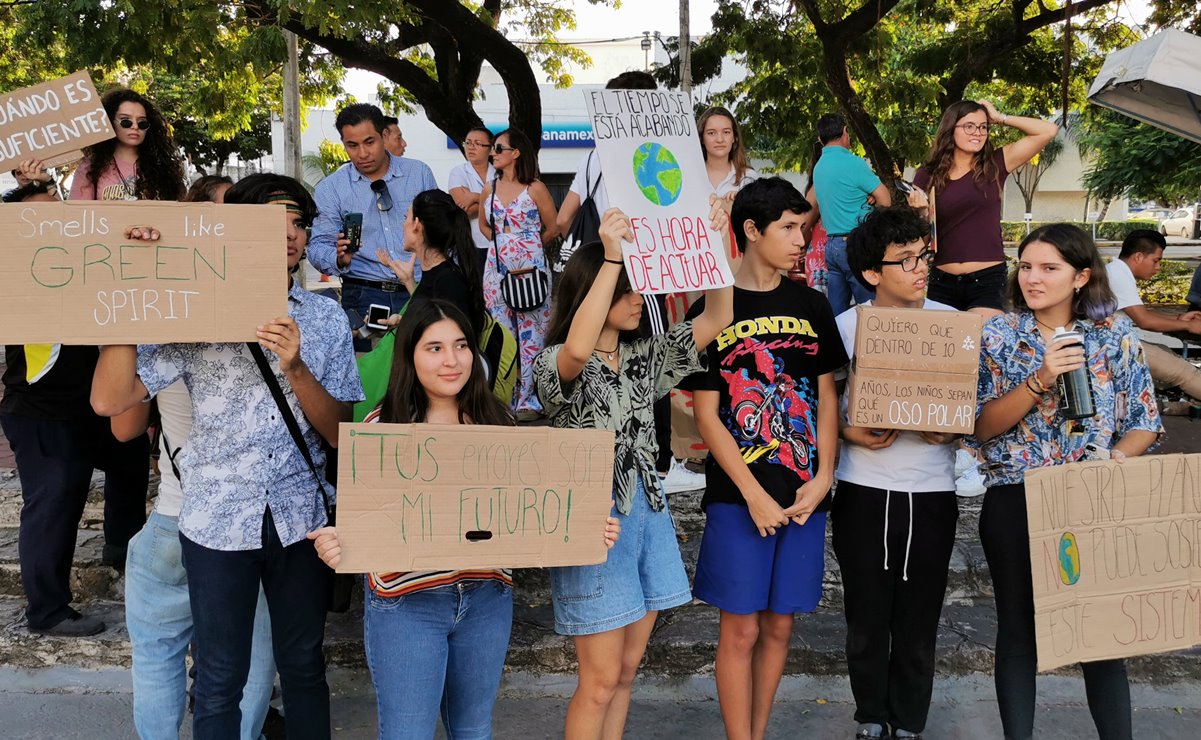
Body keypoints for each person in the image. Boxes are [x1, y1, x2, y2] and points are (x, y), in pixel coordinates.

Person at [90, 174, 364, 740]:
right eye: (273, 221)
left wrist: (295, 367)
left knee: (305, 667)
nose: (290, 233)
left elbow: (340, 434)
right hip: (215, 520)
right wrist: (130, 285)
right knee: (218, 678)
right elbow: (110, 400)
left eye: (299, 222)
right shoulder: (189, 312)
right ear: (231, 231)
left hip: (301, 523)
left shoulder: (323, 317)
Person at [308, 299, 619, 740]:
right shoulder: (384, 429)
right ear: (409, 356)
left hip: (486, 602)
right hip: (407, 606)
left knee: (473, 731)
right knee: (406, 734)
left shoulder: (501, 426)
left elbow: (536, 516)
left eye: (460, 345)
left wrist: (588, 527)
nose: (451, 360)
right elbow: (365, 517)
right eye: (434, 348)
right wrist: (340, 541)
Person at [532, 207, 733, 740]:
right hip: (596, 523)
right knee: (598, 680)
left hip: (649, 515)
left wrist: (716, 243)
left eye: (637, 289)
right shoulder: (553, 362)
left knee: (623, 673)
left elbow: (715, 319)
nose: (637, 300)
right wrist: (613, 255)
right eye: (627, 290)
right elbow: (577, 348)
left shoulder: (644, 354)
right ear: (594, 291)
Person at [972, 223, 1161, 740]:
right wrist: (1040, 379)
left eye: (1049, 268)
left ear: (1081, 276)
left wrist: (1114, 458)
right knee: (1018, 632)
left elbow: (1145, 420)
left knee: (1099, 638)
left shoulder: (1115, 333)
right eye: (1026, 266)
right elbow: (980, 427)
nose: (1033, 278)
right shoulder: (1000, 334)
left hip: (1091, 498)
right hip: (1017, 495)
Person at [111, 175, 276, 740]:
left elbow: (125, 424)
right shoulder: (270, 318)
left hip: (171, 517)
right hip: (238, 526)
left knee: (156, 661)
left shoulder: (164, 320)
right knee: (248, 667)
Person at [681, 178, 844, 740]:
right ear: (751, 231)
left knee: (779, 628)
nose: (802, 240)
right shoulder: (714, 307)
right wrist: (751, 493)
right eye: (789, 228)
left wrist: (824, 476)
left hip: (804, 493)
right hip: (738, 496)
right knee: (741, 632)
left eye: (805, 228)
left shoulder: (813, 303)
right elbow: (706, 414)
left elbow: (828, 398)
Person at [835, 207, 959, 740]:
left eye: (923, 256)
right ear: (870, 273)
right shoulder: (843, 327)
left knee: (919, 617)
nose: (919, 268)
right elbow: (822, 408)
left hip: (932, 490)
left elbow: (968, 408)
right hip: (864, 488)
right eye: (903, 259)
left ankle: (909, 721)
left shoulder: (953, 325)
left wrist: (951, 430)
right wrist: (848, 433)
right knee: (865, 615)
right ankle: (870, 717)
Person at [0, 182, 144, 636]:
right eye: (35, 216)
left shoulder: (88, 256)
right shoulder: (14, 267)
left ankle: (122, 549)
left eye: (55, 211)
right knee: (56, 498)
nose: (50, 221)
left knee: (131, 454)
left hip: (93, 406)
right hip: (40, 411)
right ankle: (47, 611)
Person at [555, 69, 705, 494]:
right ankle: (656, 464)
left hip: (599, 274)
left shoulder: (593, 155)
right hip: (640, 275)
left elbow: (566, 215)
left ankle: (604, 455)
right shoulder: (654, 151)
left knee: (597, 359)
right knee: (650, 360)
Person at [911, 100, 1058, 318]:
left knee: (982, 344)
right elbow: (920, 240)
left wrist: (1000, 118)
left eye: (983, 127)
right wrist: (920, 214)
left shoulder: (996, 163)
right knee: (947, 350)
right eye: (969, 126)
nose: (978, 133)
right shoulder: (927, 174)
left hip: (987, 280)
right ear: (951, 129)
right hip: (942, 280)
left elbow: (1048, 130)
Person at [308, 103, 438, 341]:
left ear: (385, 136)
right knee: (367, 373)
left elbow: (442, 232)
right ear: (343, 144)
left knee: (423, 370)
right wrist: (338, 258)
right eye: (352, 145)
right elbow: (317, 248)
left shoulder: (418, 174)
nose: (362, 153)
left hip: (419, 290)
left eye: (370, 142)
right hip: (363, 295)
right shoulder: (332, 188)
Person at [479, 128, 559, 418]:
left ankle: (530, 401)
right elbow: (483, 226)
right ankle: (503, 399)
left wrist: (530, 247)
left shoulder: (535, 188)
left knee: (533, 334)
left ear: (516, 153)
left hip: (530, 271)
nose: (493, 153)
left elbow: (553, 226)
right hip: (496, 271)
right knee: (502, 334)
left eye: (499, 148)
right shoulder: (489, 188)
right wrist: (502, 243)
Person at [1106, 229, 1201, 404]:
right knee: (1183, 372)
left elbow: (1143, 314)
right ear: (1138, 257)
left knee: (1165, 352)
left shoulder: (1117, 271)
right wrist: (1188, 326)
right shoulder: (1118, 275)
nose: (1158, 268)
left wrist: (1179, 320)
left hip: (1114, 341)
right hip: (1110, 346)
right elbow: (1145, 321)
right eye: (1156, 261)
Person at [376, 189, 487, 335]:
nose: (403, 225)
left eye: (405, 218)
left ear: (416, 224)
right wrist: (403, 321)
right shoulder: (437, 275)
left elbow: (450, 339)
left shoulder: (447, 282)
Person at [811, 113, 891, 314]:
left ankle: (837, 346)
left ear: (821, 139)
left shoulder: (818, 168)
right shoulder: (853, 163)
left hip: (832, 248)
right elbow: (886, 200)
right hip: (855, 244)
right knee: (870, 312)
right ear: (845, 132)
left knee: (837, 315)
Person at [69, 88, 184, 202]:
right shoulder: (90, 167)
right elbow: (77, 215)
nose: (135, 126)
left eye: (142, 122)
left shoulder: (162, 168)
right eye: (126, 121)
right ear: (109, 122)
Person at [448, 126, 496, 271]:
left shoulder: (500, 174)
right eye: (468, 143)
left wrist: (475, 196)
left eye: (477, 143)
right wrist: (492, 202)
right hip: (471, 244)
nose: (471, 147)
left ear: (490, 149)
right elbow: (463, 211)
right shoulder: (458, 172)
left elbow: (507, 206)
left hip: (497, 243)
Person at [699, 106, 758, 202]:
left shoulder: (748, 177)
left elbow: (759, 214)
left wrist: (741, 203)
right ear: (702, 138)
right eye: (711, 133)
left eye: (726, 132)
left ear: (734, 137)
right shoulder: (689, 175)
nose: (720, 139)